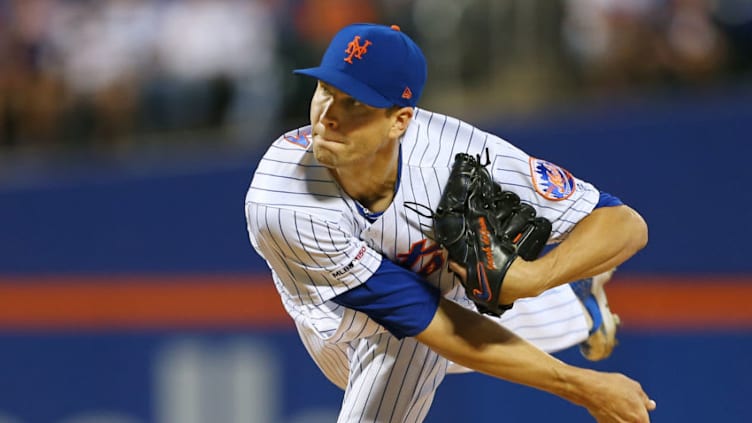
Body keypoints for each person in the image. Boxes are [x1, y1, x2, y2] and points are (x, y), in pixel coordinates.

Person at [244, 23, 655, 422]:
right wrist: (582, 387)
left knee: (443, 302)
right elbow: (431, 321)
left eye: (355, 102)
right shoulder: (282, 202)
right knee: (428, 309)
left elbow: (624, 224)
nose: (328, 115)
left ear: (400, 121)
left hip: (413, 325)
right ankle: (571, 305)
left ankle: (568, 299)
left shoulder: (452, 153)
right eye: (325, 91)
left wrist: (535, 277)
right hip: (333, 326)